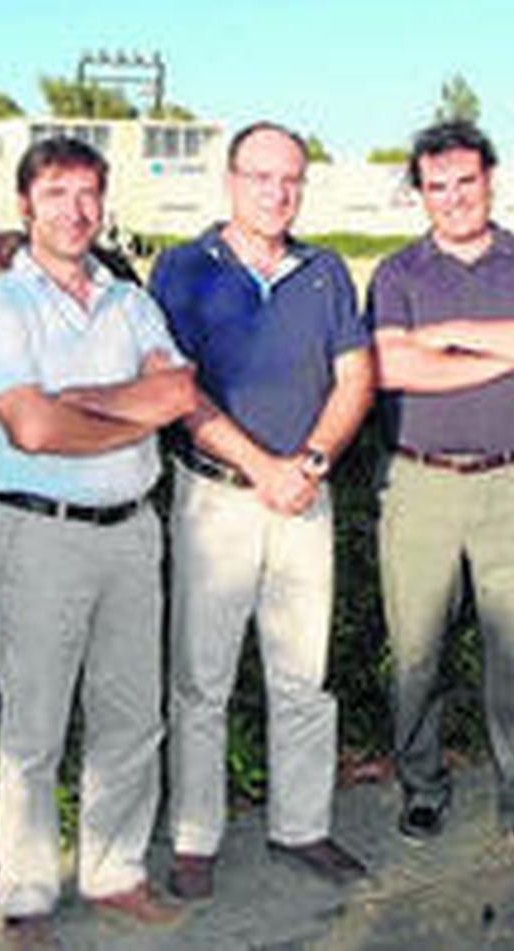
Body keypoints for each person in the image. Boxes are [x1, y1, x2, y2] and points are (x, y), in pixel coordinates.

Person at [0, 136, 198, 937]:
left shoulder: (131, 302)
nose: (76, 209)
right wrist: (130, 413)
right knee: (34, 729)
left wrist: (82, 404)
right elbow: (29, 426)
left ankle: (113, 871)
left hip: (133, 536)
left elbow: (180, 393)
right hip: (41, 539)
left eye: (89, 192)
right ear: (25, 205)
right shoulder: (0, 306)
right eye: (57, 192)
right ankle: (26, 895)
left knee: (132, 715)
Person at [149, 121, 374, 899]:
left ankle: (302, 826)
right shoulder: (181, 269)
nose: (277, 193)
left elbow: (355, 378)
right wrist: (264, 468)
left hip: (306, 498)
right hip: (217, 498)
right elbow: (178, 392)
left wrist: (307, 463)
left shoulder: (326, 271)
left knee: (304, 675)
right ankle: (193, 838)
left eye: (291, 180)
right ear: (230, 181)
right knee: (201, 678)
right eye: (261, 178)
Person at [368, 120, 514, 873]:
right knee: (417, 652)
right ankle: (422, 784)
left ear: (490, 179)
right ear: (420, 193)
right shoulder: (397, 273)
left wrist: (451, 334)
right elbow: (391, 368)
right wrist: (508, 345)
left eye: (466, 181)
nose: (454, 198)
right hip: (420, 482)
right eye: (437, 186)